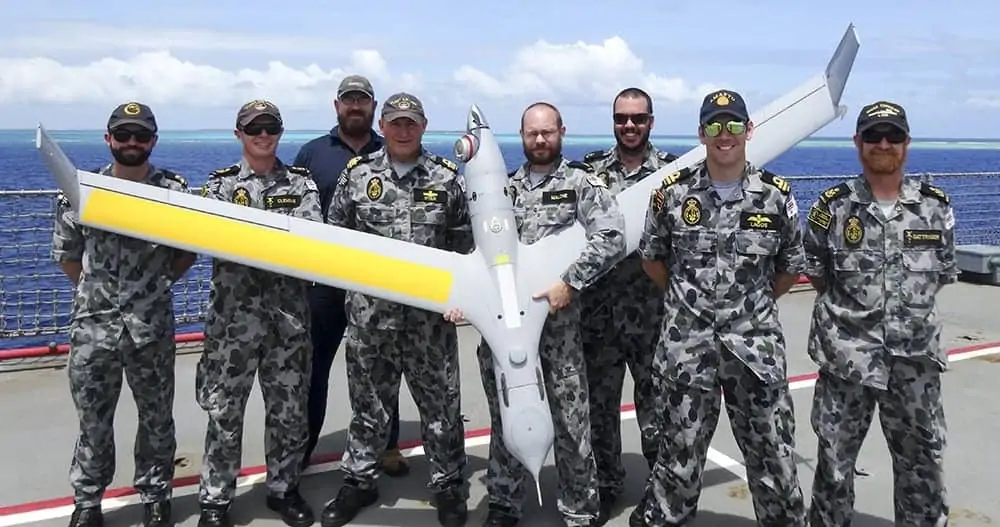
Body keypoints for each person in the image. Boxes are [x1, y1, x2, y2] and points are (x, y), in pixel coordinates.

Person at [629, 89, 807, 526]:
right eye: (714, 125)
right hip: (688, 352)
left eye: (732, 125)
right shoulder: (672, 195)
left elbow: (789, 269)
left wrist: (751, 307)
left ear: (748, 130)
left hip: (755, 351)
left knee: (774, 462)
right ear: (701, 133)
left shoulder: (775, 197)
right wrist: (689, 302)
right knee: (678, 462)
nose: (723, 134)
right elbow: (652, 259)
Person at [444, 101, 626, 527]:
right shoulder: (505, 190)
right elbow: (473, 254)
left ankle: (580, 510)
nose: (540, 140)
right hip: (502, 335)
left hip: (559, 334)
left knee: (572, 422)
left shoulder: (581, 183)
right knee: (504, 418)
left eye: (547, 132)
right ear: (521, 137)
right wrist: (459, 300)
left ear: (561, 131)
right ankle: (505, 505)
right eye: (532, 134)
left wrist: (571, 283)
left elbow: (613, 235)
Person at [320, 92, 473, 527]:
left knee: (442, 409)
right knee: (368, 408)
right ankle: (359, 481)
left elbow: (463, 245)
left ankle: (447, 485)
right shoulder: (357, 175)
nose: (403, 130)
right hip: (372, 321)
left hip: (430, 322)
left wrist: (458, 298)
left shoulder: (446, 178)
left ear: (423, 127)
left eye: (411, 122)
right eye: (395, 122)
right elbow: (336, 243)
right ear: (382, 127)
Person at [803, 101, 958, 526]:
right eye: (873, 136)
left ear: (907, 144)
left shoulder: (935, 208)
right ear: (857, 143)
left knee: (922, 468)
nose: (883, 144)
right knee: (834, 468)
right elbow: (817, 271)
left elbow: (940, 272)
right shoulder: (832, 208)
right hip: (846, 362)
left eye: (893, 136)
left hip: (914, 364)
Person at [52, 101, 195, 527]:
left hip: (150, 326)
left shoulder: (173, 191)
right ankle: (88, 501)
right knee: (93, 420)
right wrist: (95, 294)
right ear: (108, 138)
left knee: (156, 418)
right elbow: (68, 254)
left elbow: (186, 253)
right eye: (124, 134)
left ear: (153, 140)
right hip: (94, 328)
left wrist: (151, 287)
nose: (132, 142)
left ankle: (155, 495)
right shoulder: (82, 189)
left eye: (141, 135)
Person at [195, 99, 321, 527]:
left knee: (288, 412)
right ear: (238, 134)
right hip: (233, 325)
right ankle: (215, 499)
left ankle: (283, 489)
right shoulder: (220, 185)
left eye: (270, 127)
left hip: (287, 323)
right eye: (254, 129)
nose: (262, 135)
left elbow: (306, 243)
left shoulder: (302, 185)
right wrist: (272, 243)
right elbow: (215, 238)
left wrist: (251, 240)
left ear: (280, 132)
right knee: (224, 415)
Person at [292, 74, 408, 476]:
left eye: (362, 100)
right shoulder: (312, 154)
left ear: (374, 108)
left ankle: (388, 444)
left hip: (377, 283)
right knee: (314, 368)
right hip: (324, 282)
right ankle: (301, 449)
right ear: (337, 105)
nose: (355, 106)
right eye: (348, 100)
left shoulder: (392, 147)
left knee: (382, 365)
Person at [578, 87, 679, 520]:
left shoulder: (673, 175)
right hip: (597, 317)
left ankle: (661, 493)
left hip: (653, 318)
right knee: (599, 411)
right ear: (614, 122)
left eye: (638, 118)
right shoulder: (589, 173)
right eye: (622, 119)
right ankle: (606, 486)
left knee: (658, 411)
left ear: (651, 122)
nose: (630, 126)